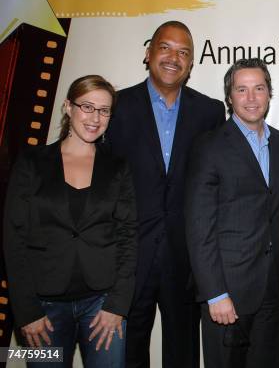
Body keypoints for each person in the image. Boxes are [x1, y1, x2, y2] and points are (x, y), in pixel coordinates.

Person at [105, 21, 225, 367]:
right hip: (129, 259)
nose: (174, 57)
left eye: (184, 52)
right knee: (129, 354)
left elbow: (226, 175)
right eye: (166, 47)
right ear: (148, 53)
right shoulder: (116, 107)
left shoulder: (211, 112)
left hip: (185, 260)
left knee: (183, 353)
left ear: (191, 63)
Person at [4, 75, 138, 367]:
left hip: (102, 306)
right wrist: (27, 312)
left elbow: (129, 237)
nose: (95, 118)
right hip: (43, 310)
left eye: (104, 111)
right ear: (68, 107)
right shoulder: (31, 163)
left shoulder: (118, 167)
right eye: (87, 107)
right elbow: (14, 240)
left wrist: (118, 305)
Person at [184, 58, 279, 368]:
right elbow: (198, 226)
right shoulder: (209, 146)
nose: (251, 98)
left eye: (259, 88)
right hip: (227, 292)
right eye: (241, 89)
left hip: (271, 291)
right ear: (229, 97)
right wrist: (215, 293)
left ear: (269, 94)